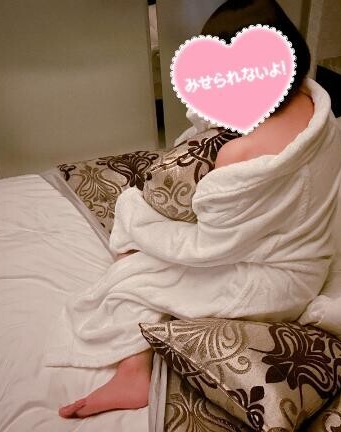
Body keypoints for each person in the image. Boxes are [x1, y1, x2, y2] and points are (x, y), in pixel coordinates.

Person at [59, 0, 317, 419]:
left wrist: (140, 223)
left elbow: (209, 247)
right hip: (310, 260)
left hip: (271, 284)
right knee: (141, 248)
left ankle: (133, 374)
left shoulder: (241, 153)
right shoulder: (312, 99)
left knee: (132, 273)